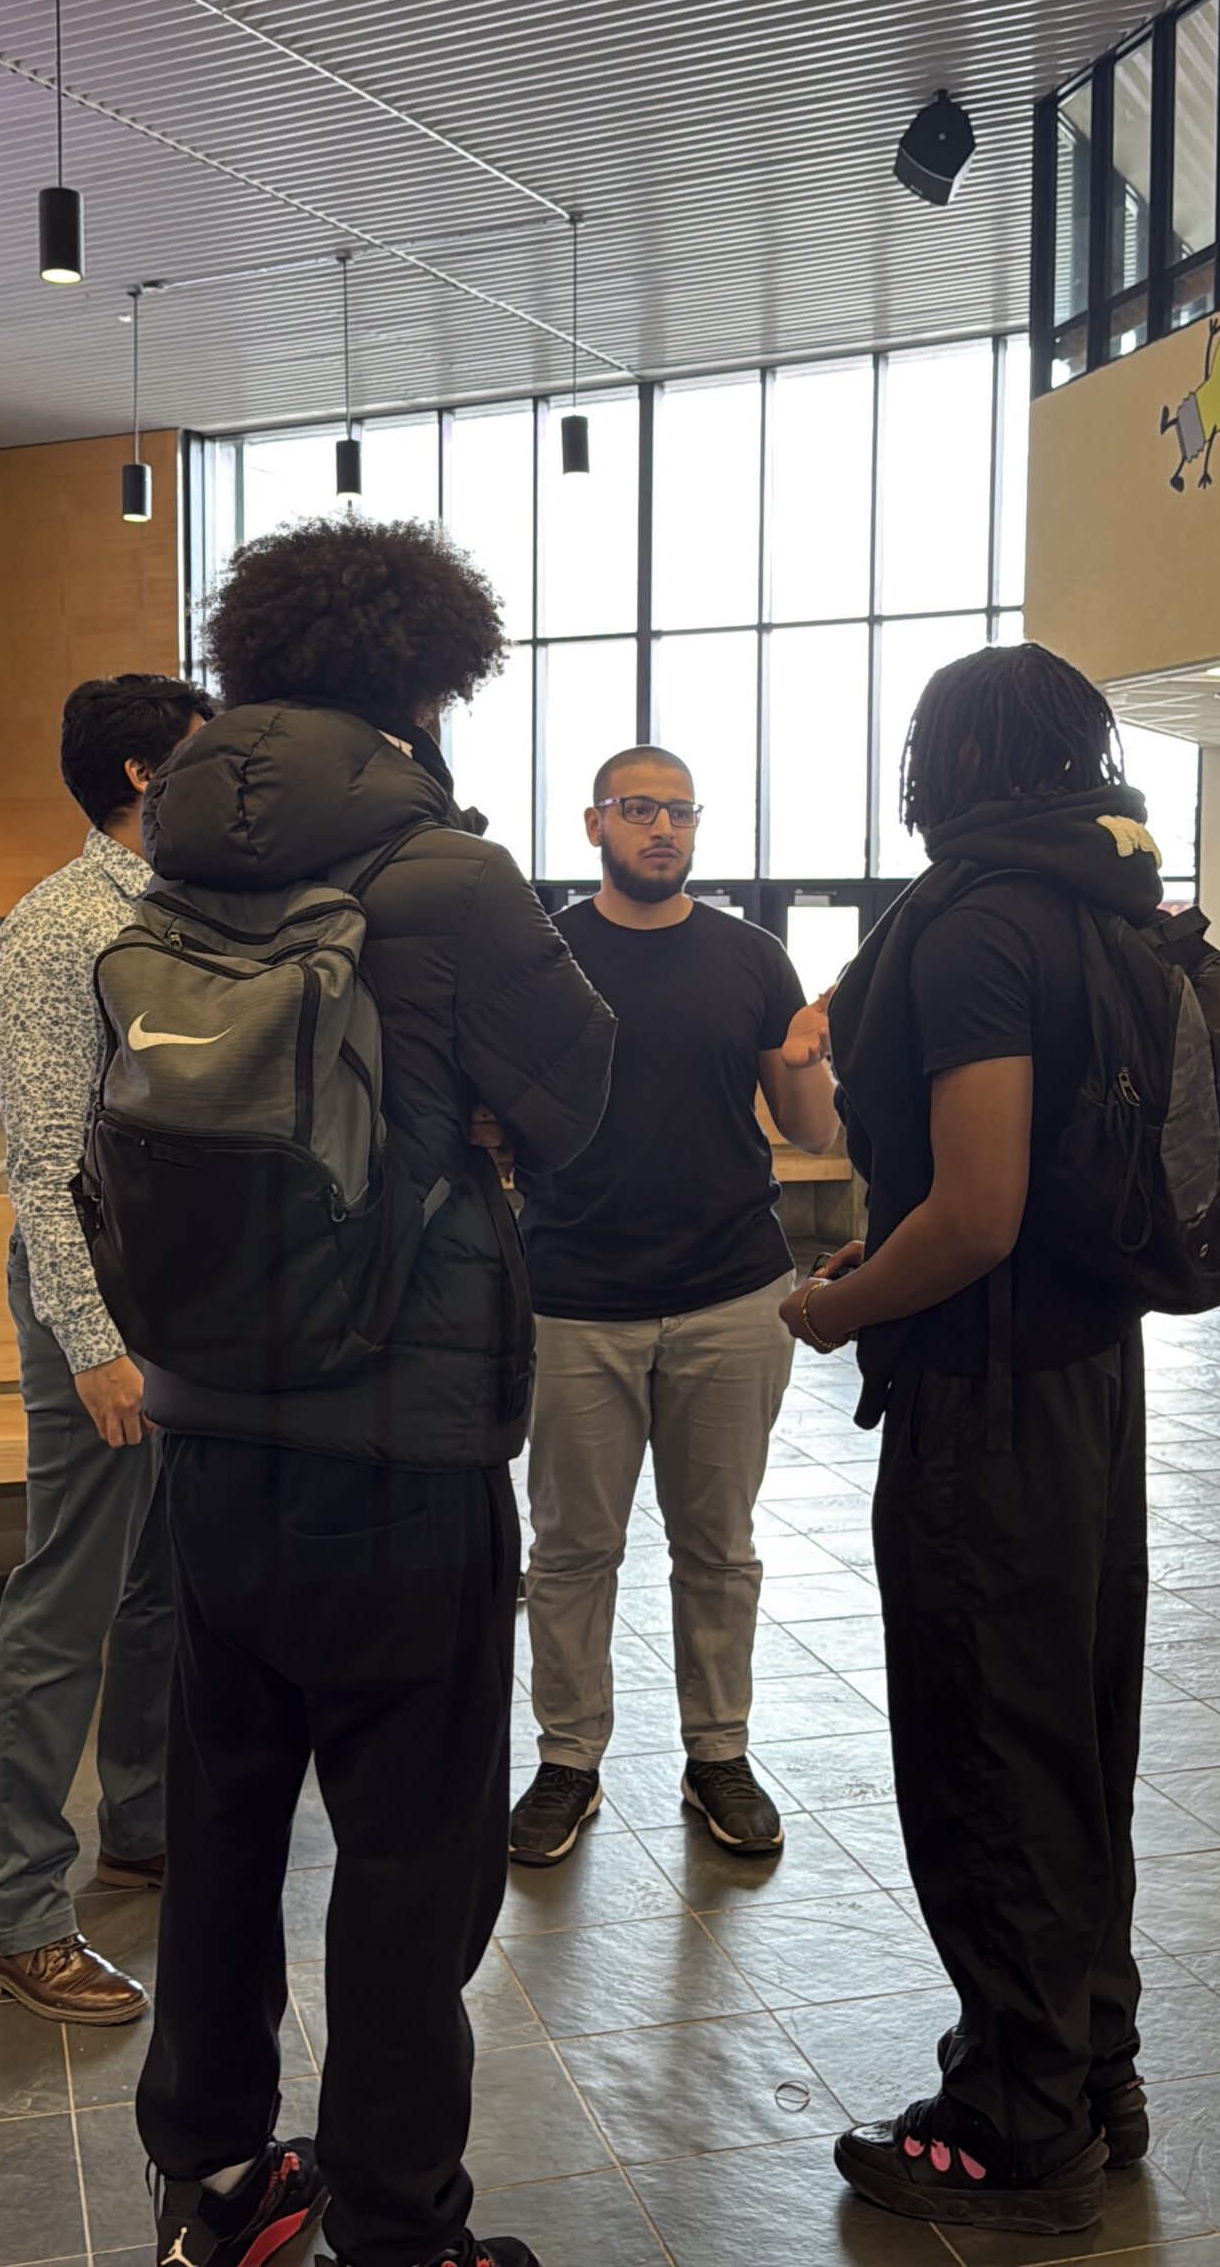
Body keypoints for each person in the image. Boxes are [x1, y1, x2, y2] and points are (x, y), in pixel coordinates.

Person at [131, 514, 615, 2267]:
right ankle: (398, 2226)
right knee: (411, 1869)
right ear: (426, 677)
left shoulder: (165, 859)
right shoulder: (448, 873)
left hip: (208, 1441)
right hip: (401, 1448)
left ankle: (212, 2191)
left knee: (221, 1828)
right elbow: (580, 1108)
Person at [783, 643, 1158, 2240]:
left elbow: (977, 1209)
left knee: (989, 1750)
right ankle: (1091, 2073)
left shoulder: (978, 923)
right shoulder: (1109, 903)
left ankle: (1014, 2126)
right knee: (1076, 1734)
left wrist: (843, 1305)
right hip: (1092, 1383)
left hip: (989, 1405)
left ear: (945, 765)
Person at [510, 747, 840, 1867]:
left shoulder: (751, 956)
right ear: (595, 819)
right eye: (640, 810)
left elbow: (811, 1134)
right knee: (569, 1549)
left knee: (718, 1546)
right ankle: (567, 1760)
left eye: (680, 812)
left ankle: (719, 1754)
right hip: (573, 1299)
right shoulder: (544, 954)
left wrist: (804, 1057)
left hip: (728, 1294)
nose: (663, 829)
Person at [0, 671, 214, 2024]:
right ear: (138, 776)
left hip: (186, 1302)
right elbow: (45, 1168)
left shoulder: (190, 920)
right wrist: (93, 1341)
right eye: (205, 751)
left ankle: (143, 1824)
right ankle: (16, 1912)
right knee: (67, 1604)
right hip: (101, 1307)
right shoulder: (63, 931)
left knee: (162, 1587)